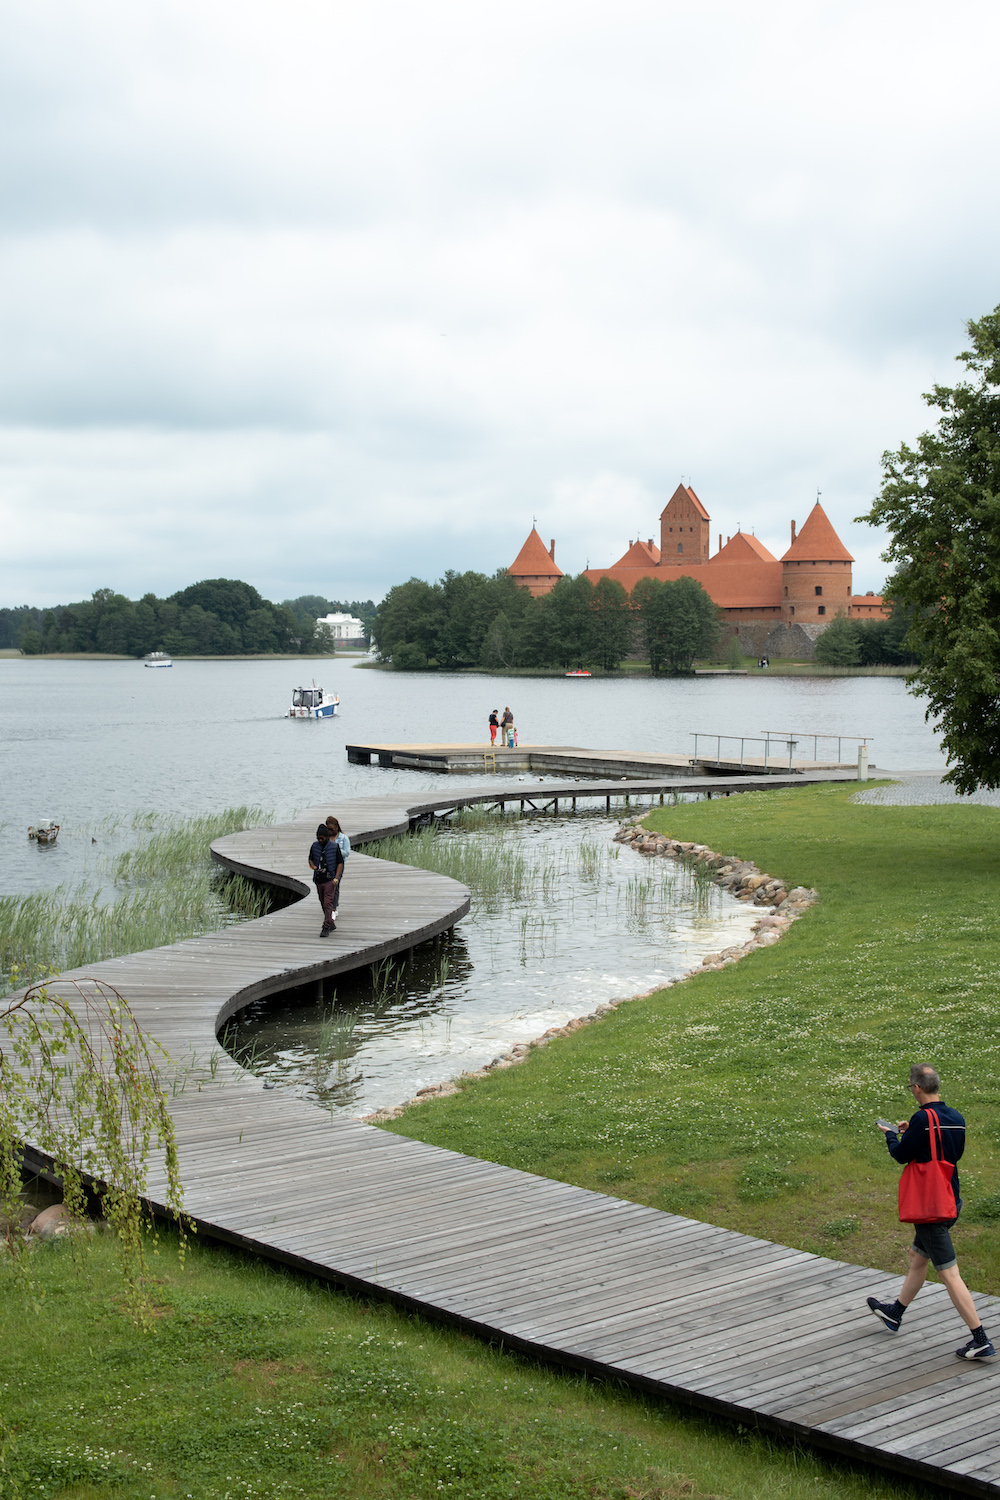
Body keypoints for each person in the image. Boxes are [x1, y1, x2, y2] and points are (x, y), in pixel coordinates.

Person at [866, 1064, 995, 1359]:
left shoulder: (923, 1118)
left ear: (917, 1088)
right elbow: (950, 1152)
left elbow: (900, 1155)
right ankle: (895, 1312)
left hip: (931, 1206)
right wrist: (914, 1133)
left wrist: (889, 1134)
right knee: (917, 1257)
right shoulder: (955, 1117)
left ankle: (980, 1339)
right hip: (951, 1198)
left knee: (950, 1274)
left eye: (911, 1087)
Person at [308, 824, 343, 937]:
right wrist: (313, 867)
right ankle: (331, 923)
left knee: (328, 903)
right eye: (318, 838)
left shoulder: (334, 846)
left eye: (322, 838)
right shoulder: (314, 846)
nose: (320, 840)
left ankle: (326, 927)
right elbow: (310, 860)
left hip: (330, 880)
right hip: (319, 880)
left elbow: (340, 863)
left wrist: (336, 879)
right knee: (323, 902)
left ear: (327, 837)